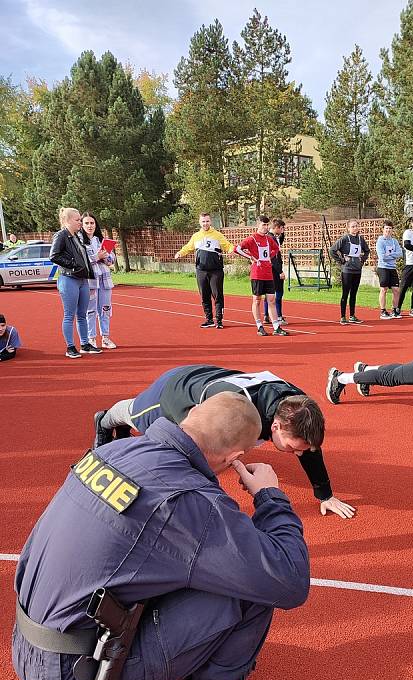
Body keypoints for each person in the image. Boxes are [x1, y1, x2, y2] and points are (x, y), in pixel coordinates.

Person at [0, 393, 310, 680]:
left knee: (164, 562)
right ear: (235, 456)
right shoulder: (190, 503)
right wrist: (270, 495)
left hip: (30, 642)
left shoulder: (118, 448)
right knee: (249, 588)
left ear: (190, 418)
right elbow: (288, 580)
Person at [93, 364, 356, 519]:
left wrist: (325, 494)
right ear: (275, 426)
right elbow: (200, 452)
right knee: (137, 418)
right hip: (177, 391)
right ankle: (104, 420)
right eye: (292, 448)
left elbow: (308, 446)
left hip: (210, 380)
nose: (298, 454)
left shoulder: (298, 409)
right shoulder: (235, 414)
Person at [49, 208, 102, 359]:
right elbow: (54, 255)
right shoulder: (61, 235)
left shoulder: (76, 237)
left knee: (82, 314)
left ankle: (85, 344)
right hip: (68, 279)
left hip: (82, 279)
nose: (80, 222)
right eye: (77, 220)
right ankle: (70, 347)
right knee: (69, 315)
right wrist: (72, 265)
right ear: (67, 221)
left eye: (80, 219)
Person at [175, 212, 234, 329]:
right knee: (204, 296)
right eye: (203, 221)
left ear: (210, 222)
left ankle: (219, 320)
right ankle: (209, 320)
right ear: (199, 222)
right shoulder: (196, 236)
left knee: (217, 295)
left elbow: (228, 246)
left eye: (207, 221)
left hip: (215, 271)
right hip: (201, 270)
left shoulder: (217, 235)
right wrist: (180, 253)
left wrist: (231, 250)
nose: (205, 223)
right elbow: (188, 247)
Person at [235, 215, 288, 336]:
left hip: (268, 273)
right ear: (258, 225)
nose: (266, 227)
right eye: (263, 225)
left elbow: (276, 249)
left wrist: (270, 256)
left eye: (267, 225)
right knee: (257, 300)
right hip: (257, 274)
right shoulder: (252, 238)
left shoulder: (269, 239)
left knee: (271, 300)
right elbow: (237, 249)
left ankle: (276, 327)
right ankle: (259, 326)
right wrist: (250, 257)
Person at [81, 212, 116, 349]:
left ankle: (105, 337)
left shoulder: (101, 240)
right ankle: (91, 338)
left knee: (105, 308)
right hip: (90, 281)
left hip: (105, 280)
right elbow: (81, 262)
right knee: (90, 310)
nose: (90, 226)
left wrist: (106, 257)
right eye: (87, 223)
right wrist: (96, 257)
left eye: (92, 223)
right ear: (82, 225)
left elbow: (111, 260)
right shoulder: (79, 241)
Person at [330, 219, 370, 325]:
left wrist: (362, 260)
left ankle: (352, 315)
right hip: (347, 270)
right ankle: (343, 316)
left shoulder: (360, 239)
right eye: (352, 226)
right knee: (345, 293)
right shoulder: (344, 239)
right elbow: (332, 250)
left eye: (356, 226)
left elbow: (367, 250)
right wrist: (342, 260)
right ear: (348, 228)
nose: (355, 228)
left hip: (357, 270)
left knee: (354, 294)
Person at [374, 220, 402, 319]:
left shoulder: (394, 241)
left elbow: (400, 253)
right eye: (386, 228)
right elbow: (382, 257)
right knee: (384, 289)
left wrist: (390, 255)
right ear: (383, 229)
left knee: (396, 290)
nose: (388, 230)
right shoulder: (380, 241)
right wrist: (393, 256)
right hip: (383, 267)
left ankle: (394, 310)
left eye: (390, 228)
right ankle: (383, 311)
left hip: (392, 268)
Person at [263, 218, 286, 326]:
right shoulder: (271, 239)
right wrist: (280, 271)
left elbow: (281, 240)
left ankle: (267, 315)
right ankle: (278, 316)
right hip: (274, 269)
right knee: (278, 292)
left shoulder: (270, 237)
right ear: (276, 228)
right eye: (282, 228)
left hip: (268, 269)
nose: (283, 231)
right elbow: (274, 258)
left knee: (269, 293)